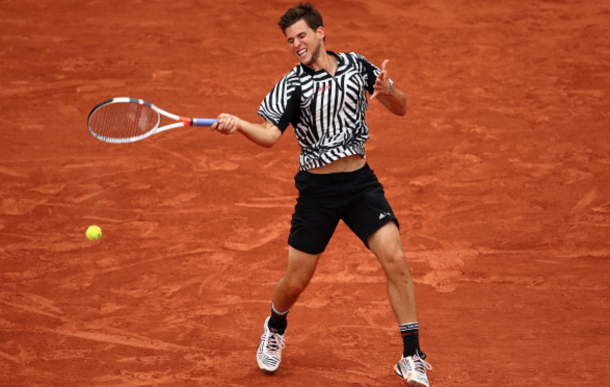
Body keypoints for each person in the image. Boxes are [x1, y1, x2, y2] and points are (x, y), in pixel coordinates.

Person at [211, 2, 432, 386]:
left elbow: (402, 107)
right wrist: (241, 125)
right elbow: (269, 135)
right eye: (290, 39)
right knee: (297, 279)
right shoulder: (291, 85)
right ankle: (275, 325)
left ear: (320, 32)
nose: (296, 44)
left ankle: (411, 356)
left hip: (361, 183)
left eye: (301, 35)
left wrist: (388, 89)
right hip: (318, 191)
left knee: (395, 257)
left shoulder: (357, 66)